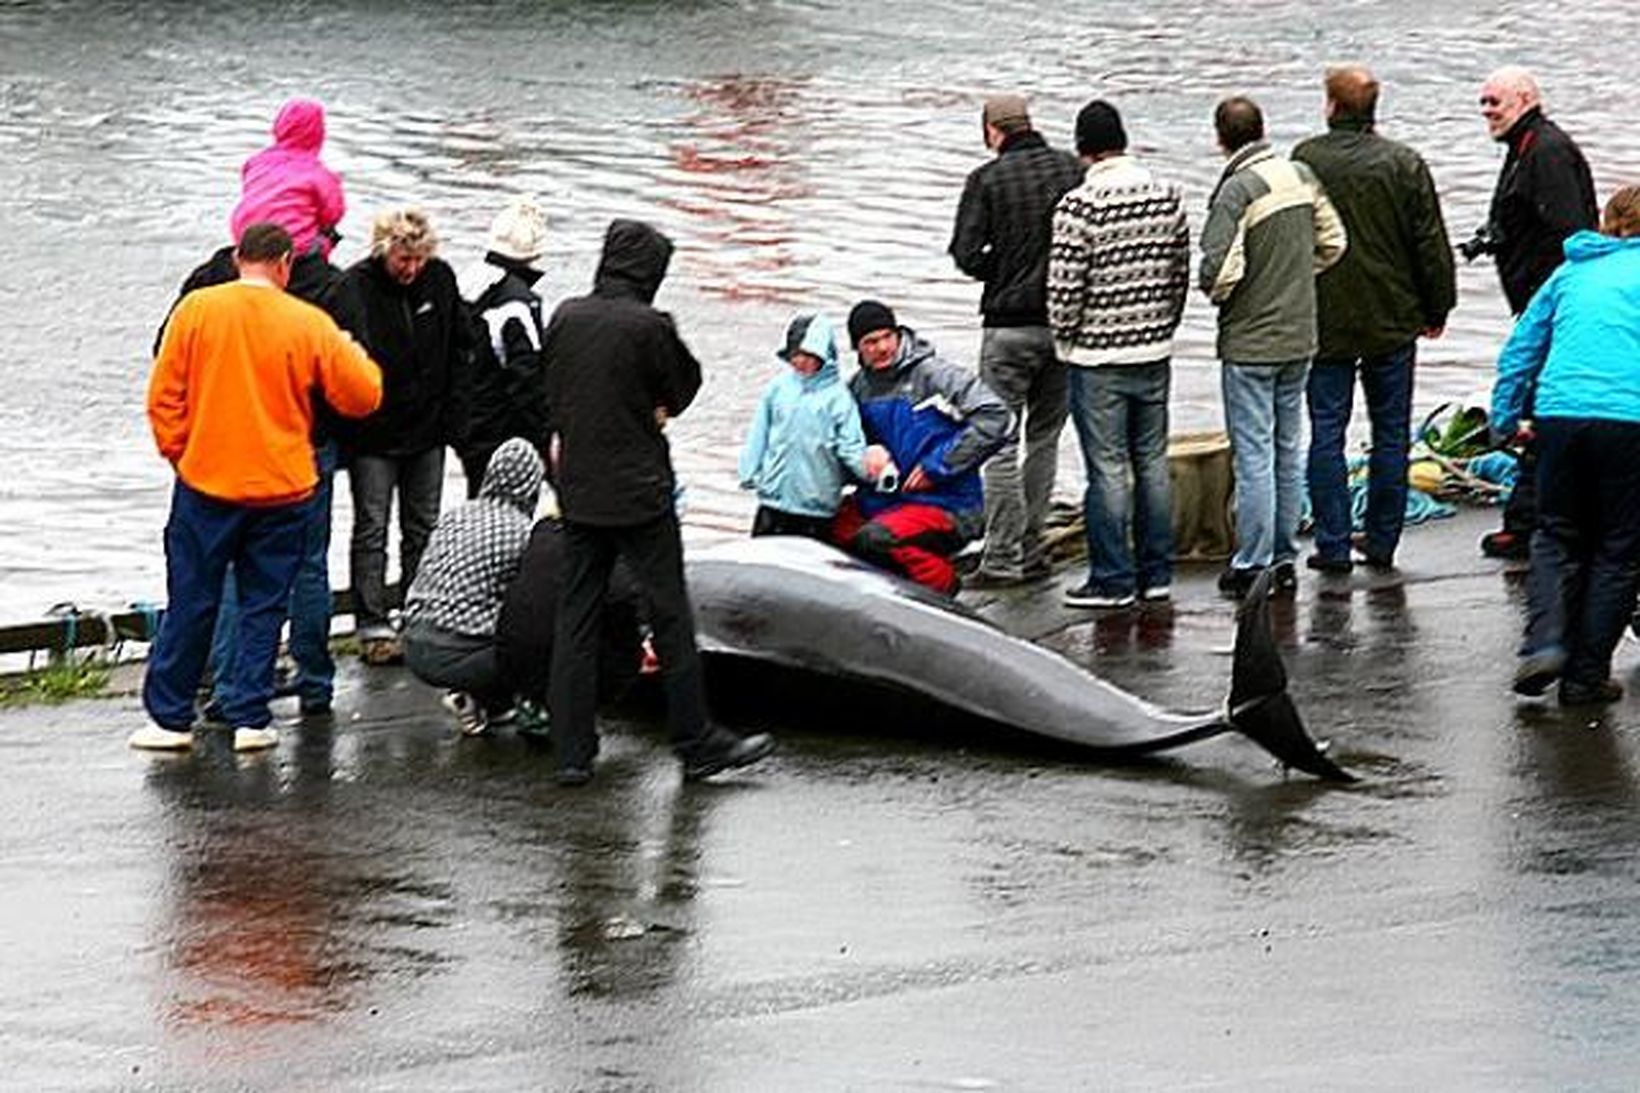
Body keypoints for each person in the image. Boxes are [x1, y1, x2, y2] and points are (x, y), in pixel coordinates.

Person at [131, 223, 382, 752]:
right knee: (264, 603)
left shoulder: (196, 311)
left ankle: (170, 718)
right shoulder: (307, 322)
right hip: (283, 485)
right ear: (286, 264)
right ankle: (251, 715)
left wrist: (181, 452)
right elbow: (363, 397)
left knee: (192, 598)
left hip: (206, 482)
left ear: (237, 258)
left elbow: (163, 397)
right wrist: (349, 348)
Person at [543, 218, 775, 786]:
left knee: (576, 616)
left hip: (578, 489)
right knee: (670, 615)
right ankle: (695, 741)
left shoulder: (565, 317)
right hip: (640, 494)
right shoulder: (649, 325)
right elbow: (683, 387)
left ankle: (572, 750)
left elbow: (546, 390)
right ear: (650, 272)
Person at [1293, 65, 1457, 574]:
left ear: (1331, 107)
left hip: (1327, 321)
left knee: (1326, 432)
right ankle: (1383, 540)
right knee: (1391, 433)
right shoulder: (1404, 163)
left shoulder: (1305, 159)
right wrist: (1438, 307)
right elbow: (1430, 245)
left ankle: (1334, 544)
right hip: (1393, 319)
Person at [1493, 186, 1640, 707]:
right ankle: (1584, 678)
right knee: (1619, 549)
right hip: (1629, 420)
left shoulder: (1571, 272)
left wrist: (1505, 418)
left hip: (1559, 414)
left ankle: (1545, 642)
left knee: (1556, 536)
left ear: (1608, 223)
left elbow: (1521, 348)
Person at [1199, 95, 1347, 599]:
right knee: (1288, 448)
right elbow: (1334, 243)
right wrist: (1297, 279)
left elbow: (1218, 274)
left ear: (1221, 139)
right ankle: (1285, 557)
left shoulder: (1237, 189)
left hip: (1251, 342)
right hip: (1300, 333)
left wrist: (1238, 293)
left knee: (1255, 454)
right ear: (1261, 128)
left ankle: (1252, 562)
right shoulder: (1301, 175)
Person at [1048, 99, 1190, 608]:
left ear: (1083, 148)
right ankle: (1157, 574)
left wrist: (1065, 342)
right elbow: (1179, 274)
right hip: (1153, 349)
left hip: (1097, 357)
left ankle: (1112, 579)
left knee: (1106, 469)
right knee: (1151, 463)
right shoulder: (1168, 195)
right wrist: (1162, 327)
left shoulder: (1078, 206)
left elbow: (1065, 289)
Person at [949, 94, 1085, 586]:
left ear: (992, 131)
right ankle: (1032, 548)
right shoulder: (1072, 169)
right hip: (1065, 327)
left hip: (1007, 326)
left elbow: (964, 252)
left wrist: (1000, 270)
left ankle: (1002, 558)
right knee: (1045, 436)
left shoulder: (986, 179)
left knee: (999, 441)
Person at [1463, 67, 1599, 561]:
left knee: (1541, 411)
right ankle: (1534, 517)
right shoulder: (1524, 148)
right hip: (1538, 304)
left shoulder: (1547, 152)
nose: (1487, 111)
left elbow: (1571, 234)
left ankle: (1529, 522)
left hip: (1554, 308)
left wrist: (1557, 310)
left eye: (1494, 101)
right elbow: (1522, 214)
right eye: (1481, 102)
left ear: (1525, 99)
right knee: (1539, 411)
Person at [329, 208, 471, 666]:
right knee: (372, 526)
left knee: (423, 526)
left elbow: (461, 343)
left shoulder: (441, 281)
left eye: (418, 260)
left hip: (428, 429)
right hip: (374, 433)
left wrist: (454, 411)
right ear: (383, 251)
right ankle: (371, 623)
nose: (411, 269)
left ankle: (417, 612)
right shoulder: (354, 288)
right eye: (402, 260)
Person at [833, 300, 1010, 595]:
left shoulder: (935, 376)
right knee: (819, 526)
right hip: (883, 502)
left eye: (887, 337)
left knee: (875, 539)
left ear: (899, 335)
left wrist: (936, 467)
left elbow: (996, 418)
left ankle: (943, 588)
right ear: (857, 348)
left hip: (947, 504)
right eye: (870, 342)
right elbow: (841, 448)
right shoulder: (855, 390)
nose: (882, 348)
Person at [402, 437, 542, 736]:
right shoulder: (520, 530)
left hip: (413, 643)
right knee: (533, 638)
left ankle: (481, 703)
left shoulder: (456, 515)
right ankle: (496, 700)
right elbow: (529, 605)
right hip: (460, 655)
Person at [738, 312, 883, 539]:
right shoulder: (777, 388)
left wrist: (872, 472)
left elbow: (850, 446)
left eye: (807, 355)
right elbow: (760, 433)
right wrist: (749, 471)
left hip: (816, 508)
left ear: (825, 354)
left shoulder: (839, 399)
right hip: (773, 500)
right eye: (794, 355)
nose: (799, 361)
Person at [456, 196, 550, 498]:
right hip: (504, 436)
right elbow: (527, 378)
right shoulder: (520, 304)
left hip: (466, 428)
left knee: (477, 507)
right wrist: (544, 439)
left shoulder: (466, 285)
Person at [229, 98, 346, 268]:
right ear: (319, 132)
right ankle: (312, 271)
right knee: (329, 234)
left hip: (245, 238)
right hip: (292, 247)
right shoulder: (319, 173)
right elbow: (334, 214)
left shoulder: (255, 162)